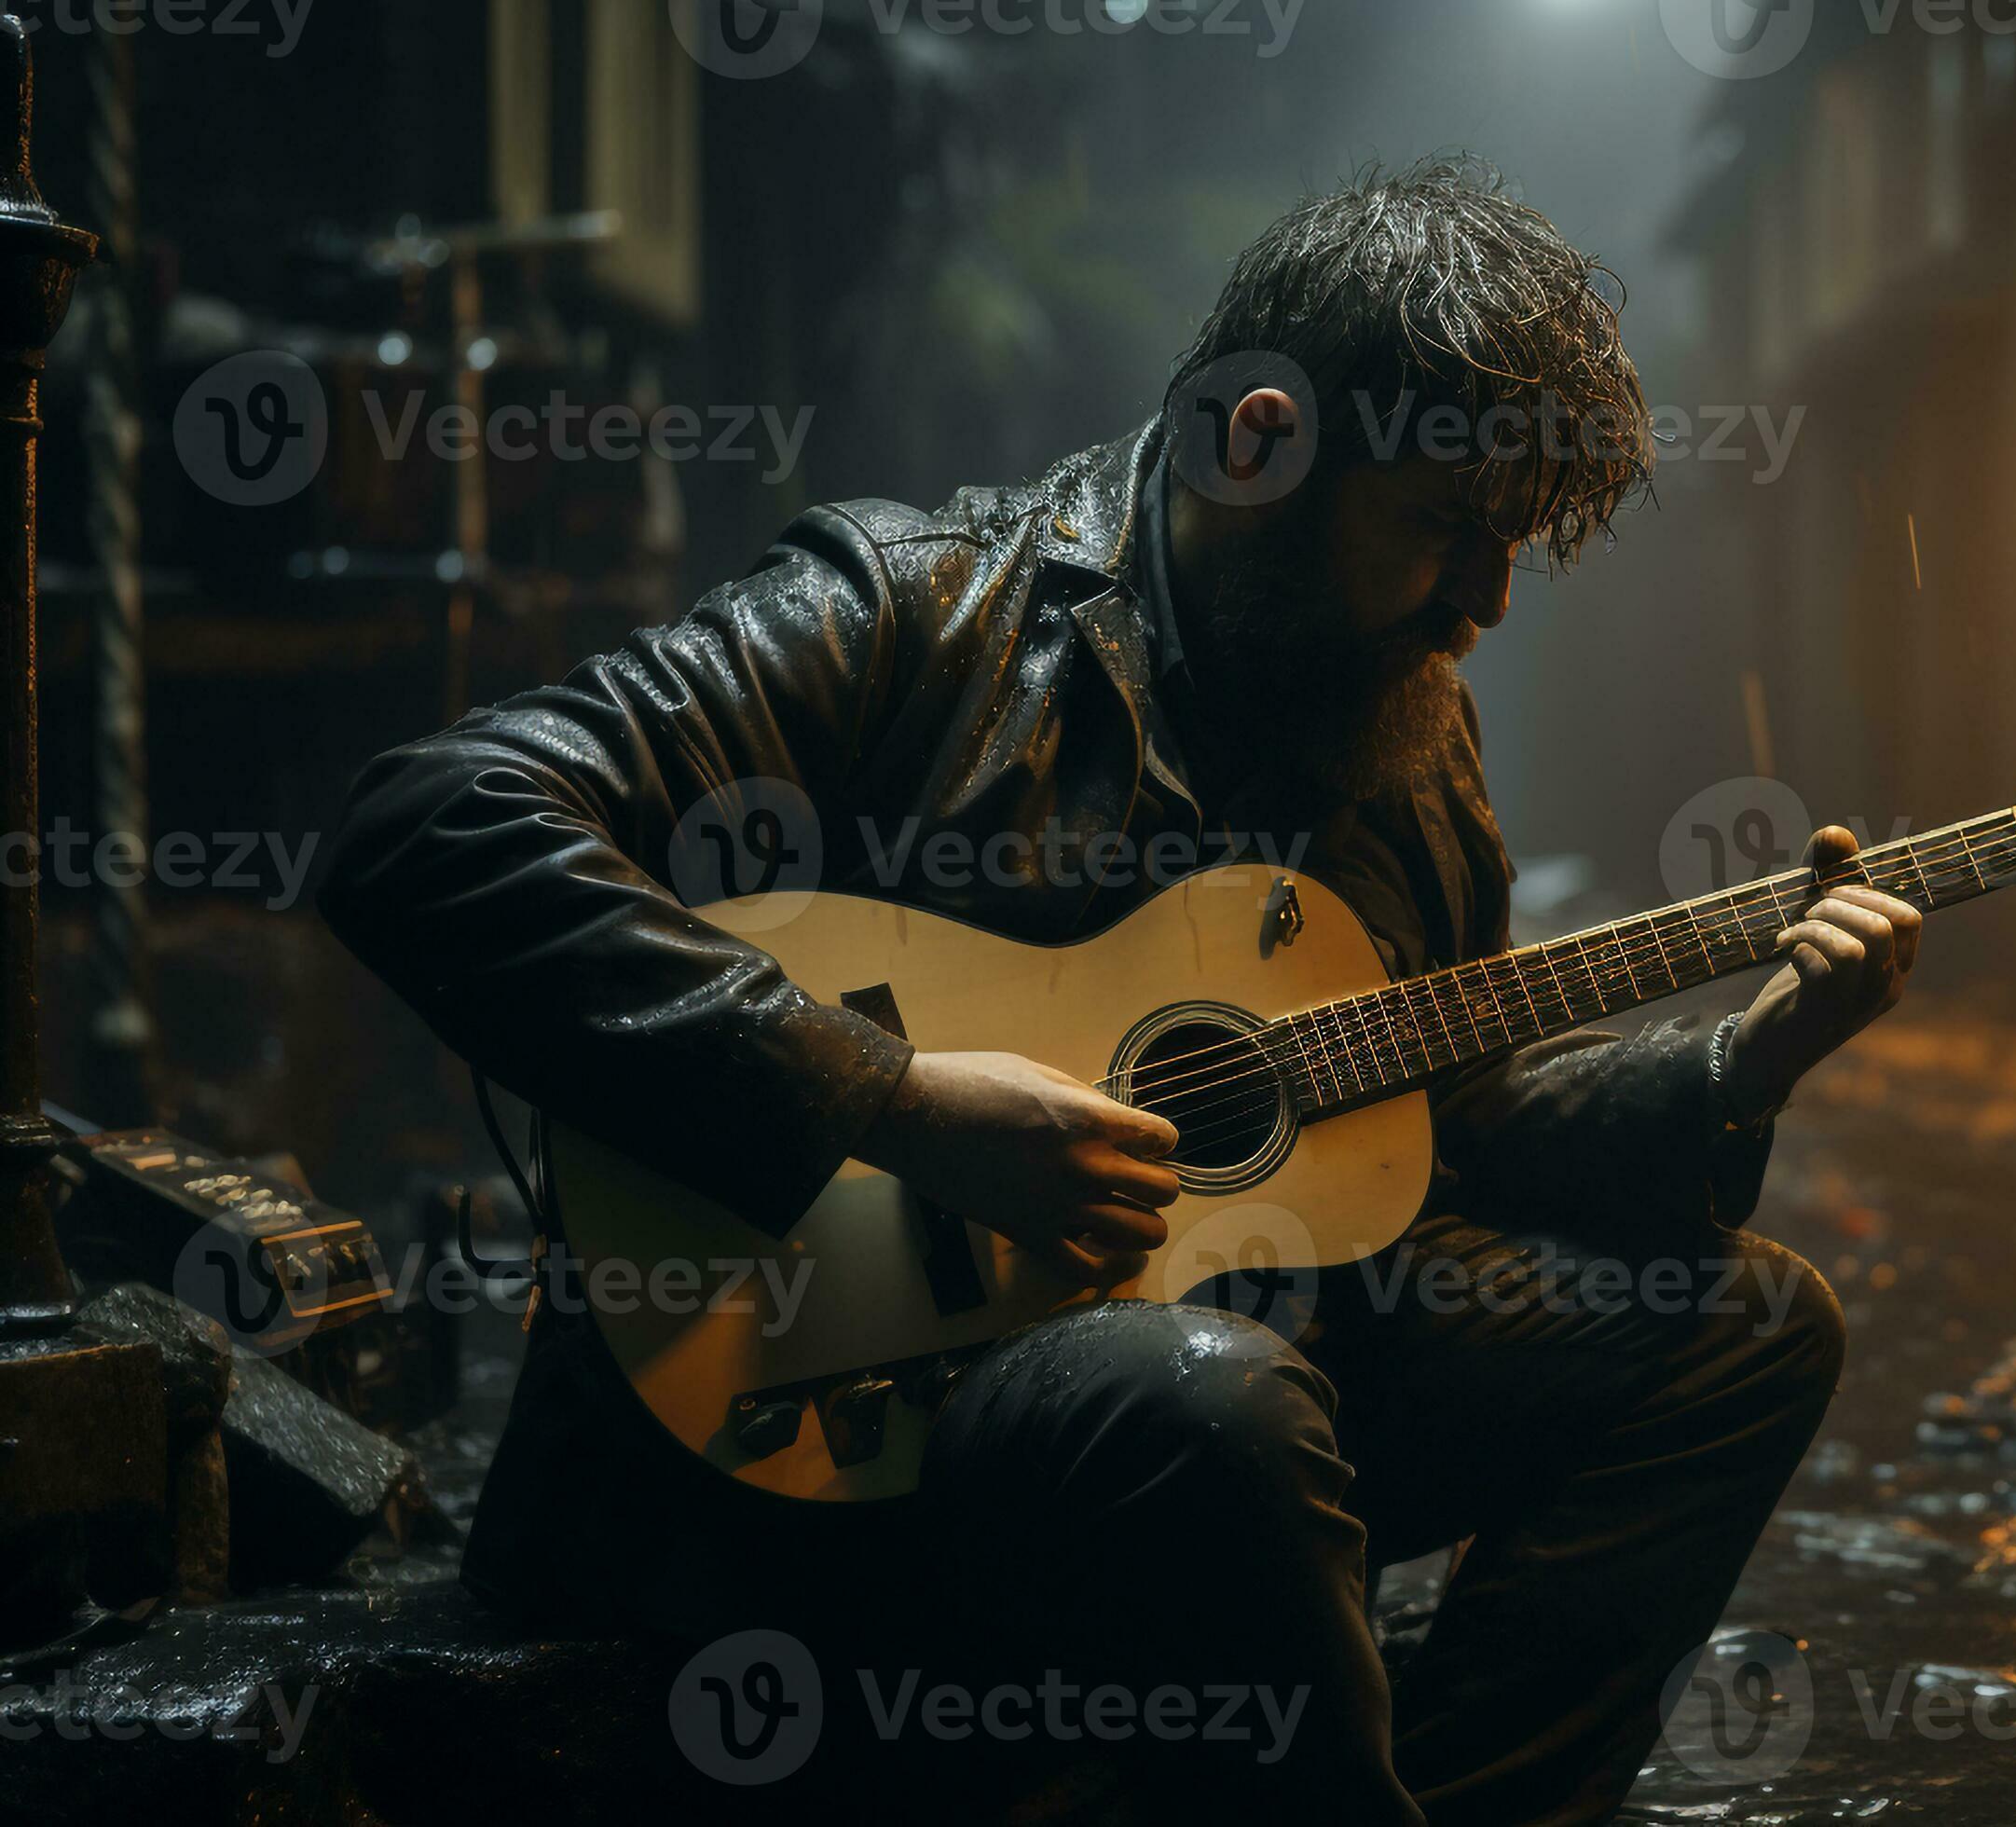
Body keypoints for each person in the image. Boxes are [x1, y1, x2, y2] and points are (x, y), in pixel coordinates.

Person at [322, 158, 1920, 1823]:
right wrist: (891, 1103)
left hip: (1240, 1375)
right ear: (1260, 444)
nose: (1487, 600)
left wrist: (1736, 1065)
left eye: (1511, 546)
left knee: (1744, 1325)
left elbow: (1438, 1109)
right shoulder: (913, 607)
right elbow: (428, 826)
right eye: (1447, 528)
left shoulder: (1401, 710)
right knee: (1201, 1391)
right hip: (837, 1435)